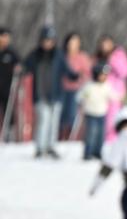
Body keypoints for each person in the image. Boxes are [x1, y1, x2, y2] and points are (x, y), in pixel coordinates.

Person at [22, 25, 77, 158]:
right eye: (45, 40)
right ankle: (40, 147)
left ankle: (51, 146)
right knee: (44, 120)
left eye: (50, 40)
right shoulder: (35, 55)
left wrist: (73, 75)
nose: (48, 43)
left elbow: (66, 69)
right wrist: (20, 70)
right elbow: (25, 67)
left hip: (56, 94)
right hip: (40, 94)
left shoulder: (58, 55)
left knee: (53, 122)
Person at [94, 34, 127, 140]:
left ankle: (111, 141)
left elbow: (126, 72)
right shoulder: (98, 58)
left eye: (107, 44)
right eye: (102, 44)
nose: (104, 47)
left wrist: (112, 59)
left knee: (112, 120)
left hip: (116, 95)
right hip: (101, 93)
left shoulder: (118, 55)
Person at [59, 32, 91, 139]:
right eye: (71, 42)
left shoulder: (82, 57)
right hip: (61, 88)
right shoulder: (62, 56)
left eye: (76, 42)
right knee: (60, 114)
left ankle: (69, 136)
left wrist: (81, 76)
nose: (73, 45)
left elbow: (88, 72)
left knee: (72, 114)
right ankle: (59, 135)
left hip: (76, 89)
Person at [79, 64, 114, 159]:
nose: (104, 77)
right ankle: (88, 152)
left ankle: (97, 152)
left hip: (102, 114)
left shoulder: (106, 86)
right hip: (91, 113)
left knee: (100, 135)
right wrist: (83, 98)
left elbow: (112, 96)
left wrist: (121, 97)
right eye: (102, 74)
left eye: (105, 75)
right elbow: (80, 96)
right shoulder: (89, 86)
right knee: (91, 134)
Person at [0, 27, 19, 139]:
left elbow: (20, 63)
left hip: (7, 87)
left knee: (8, 110)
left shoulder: (11, 53)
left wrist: (18, 68)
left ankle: (9, 134)